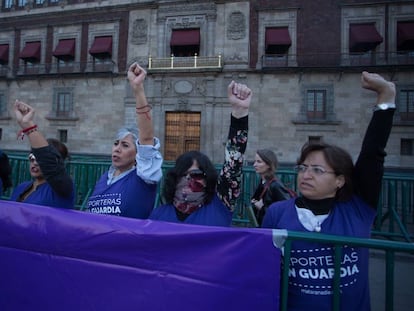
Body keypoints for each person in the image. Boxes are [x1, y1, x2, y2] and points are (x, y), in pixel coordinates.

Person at [262, 71, 396, 311]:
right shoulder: (277, 213)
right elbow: (264, 272)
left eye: (317, 170)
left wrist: (385, 98)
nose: (306, 174)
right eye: (303, 167)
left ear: (340, 181)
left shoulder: (358, 209)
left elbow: (372, 154)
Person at [149, 81, 251, 226]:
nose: (189, 180)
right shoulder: (157, 215)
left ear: (207, 179)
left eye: (196, 174)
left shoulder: (221, 206)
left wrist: (239, 114)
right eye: (183, 175)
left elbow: (233, 162)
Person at [86, 62, 162, 219]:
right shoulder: (104, 178)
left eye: (125, 145)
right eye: (116, 143)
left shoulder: (144, 177)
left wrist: (137, 89)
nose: (117, 149)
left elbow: (146, 138)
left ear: (138, 154)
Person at [10, 101, 75, 209]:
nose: (35, 163)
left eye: (39, 159)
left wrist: (29, 126)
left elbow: (49, 161)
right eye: (32, 158)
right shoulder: (21, 187)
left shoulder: (63, 188)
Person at [251, 149, 292, 226]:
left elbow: (286, 210)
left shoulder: (275, 185)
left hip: (272, 231)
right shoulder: (262, 182)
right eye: (255, 161)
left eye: (259, 162)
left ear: (269, 165)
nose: (254, 165)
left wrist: (262, 208)